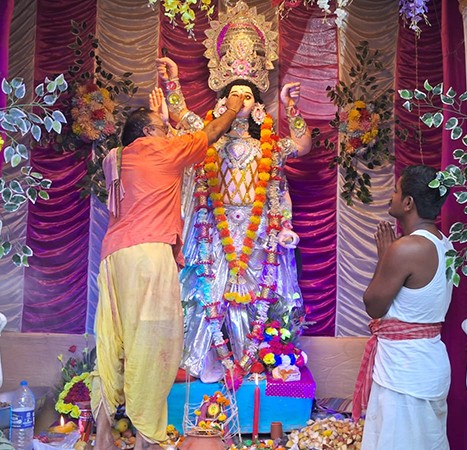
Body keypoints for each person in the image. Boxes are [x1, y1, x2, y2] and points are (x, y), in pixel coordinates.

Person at [154, 1, 313, 386]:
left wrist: (291, 107)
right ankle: (202, 361)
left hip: (257, 232)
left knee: (258, 295)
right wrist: (173, 81)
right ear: (222, 102)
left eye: (247, 95)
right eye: (234, 94)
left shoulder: (268, 146)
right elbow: (182, 116)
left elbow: (303, 145)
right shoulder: (209, 140)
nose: (240, 99)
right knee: (209, 294)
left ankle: (258, 360)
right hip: (215, 227)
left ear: (257, 106)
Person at [89, 87, 243, 450]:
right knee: (153, 343)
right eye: (160, 128)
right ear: (148, 133)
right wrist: (233, 108)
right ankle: (147, 438)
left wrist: (160, 120)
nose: (166, 132)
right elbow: (210, 133)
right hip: (149, 256)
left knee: (111, 342)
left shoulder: (115, 157)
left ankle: (102, 437)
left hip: (113, 258)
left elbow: (151, 157)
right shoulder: (162, 150)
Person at [354, 165, 454, 450]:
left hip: (404, 370)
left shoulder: (406, 248)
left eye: (396, 190)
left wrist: (385, 255)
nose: (392, 195)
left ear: (408, 203)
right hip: (427, 361)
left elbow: (373, 305)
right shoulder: (444, 243)